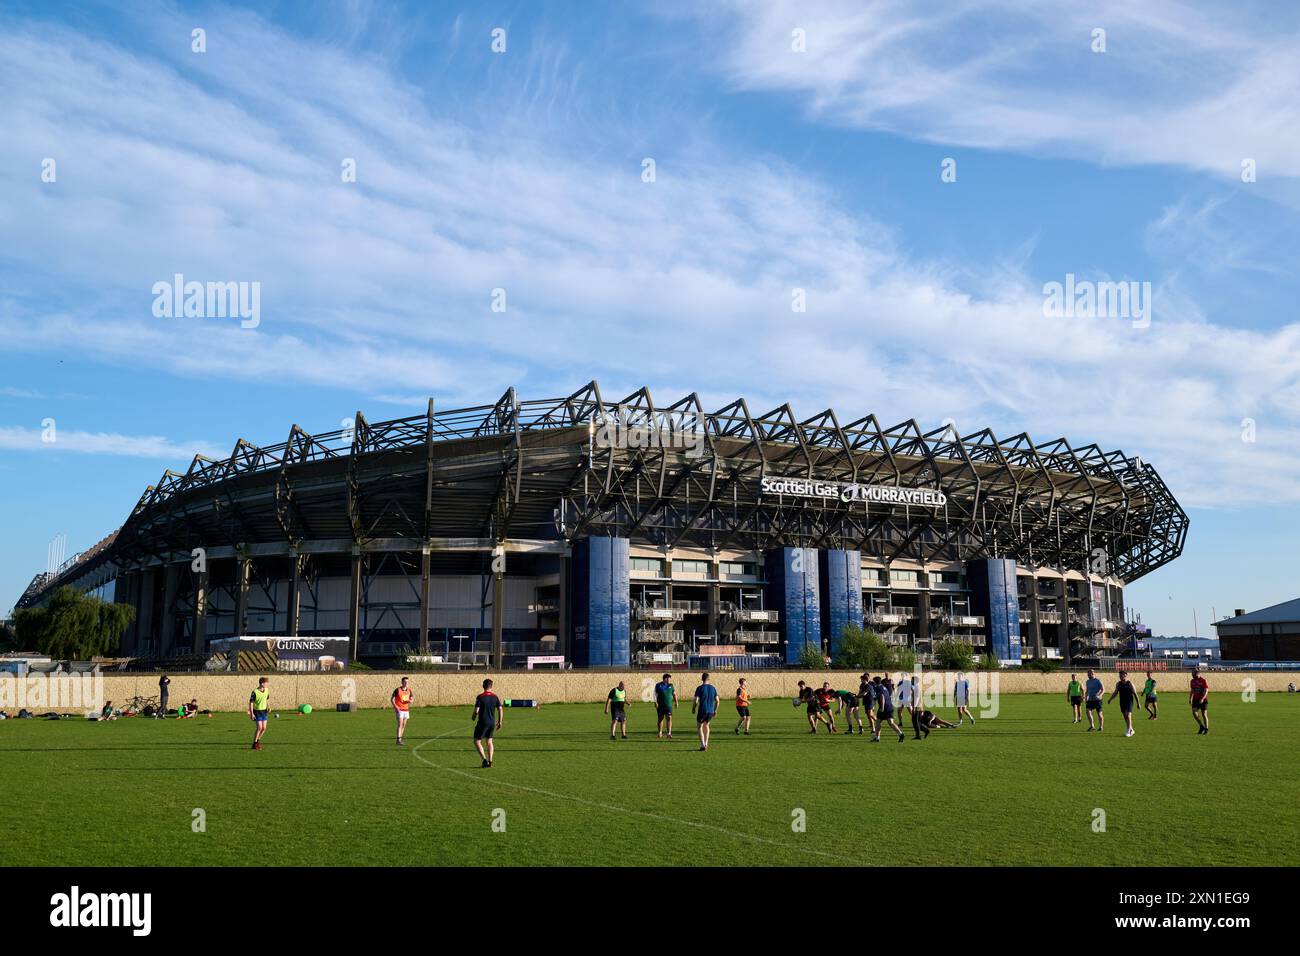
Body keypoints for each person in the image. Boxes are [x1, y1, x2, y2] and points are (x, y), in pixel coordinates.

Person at [473, 678, 502, 767]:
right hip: (491, 722)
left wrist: (473, 716)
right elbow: (500, 709)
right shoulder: (495, 697)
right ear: (491, 686)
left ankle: (484, 760)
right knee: (489, 741)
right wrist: (500, 721)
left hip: (482, 722)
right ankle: (490, 761)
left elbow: (477, 710)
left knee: (477, 741)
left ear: (483, 686)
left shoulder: (480, 697)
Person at [872, 675, 906, 743]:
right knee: (891, 722)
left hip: (884, 707)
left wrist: (882, 707)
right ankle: (900, 734)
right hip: (890, 706)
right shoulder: (883, 687)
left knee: (878, 722)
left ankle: (877, 738)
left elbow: (882, 697)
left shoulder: (878, 688)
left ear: (875, 682)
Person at [1107, 670, 1140, 738]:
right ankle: (1131, 729)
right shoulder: (1118, 684)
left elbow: (1135, 693)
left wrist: (1138, 703)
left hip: (1129, 701)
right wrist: (1110, 699)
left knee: (1128, 715)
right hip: (1122, 702)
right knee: (1125, 717)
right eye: (1119, 675)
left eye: (1122, 675)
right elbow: (1115, 693)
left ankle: (1128, 731)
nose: (1120, 676)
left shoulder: (1129, 683)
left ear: (1125, 675)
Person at [692, 672, 719, 751]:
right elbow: (717, 701)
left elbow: (696, 700)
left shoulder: (700, 688)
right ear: (708, 679)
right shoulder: (713, 688)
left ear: (702, 679)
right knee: (706, 726)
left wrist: (693, 708)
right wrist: (715, 710)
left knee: (699, 727)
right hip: (710, 711)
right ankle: (706, 743)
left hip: (702, 710)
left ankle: (702, 744)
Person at [896, 672, 922, 739]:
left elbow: (913, 690)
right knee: (899, 711)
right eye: (902, 675)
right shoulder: (900, 682)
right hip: (901, 699)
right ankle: (900, 722)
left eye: (904, 675)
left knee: (911, 712)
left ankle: (916, 722)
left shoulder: (909, 682)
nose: (902, 676)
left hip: (907, 699)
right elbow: (898, 689)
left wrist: (910, 695)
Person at [248, 677, 270, 750]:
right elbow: (251, 703)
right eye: (266, 683)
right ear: (262, 683)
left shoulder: (266, 690)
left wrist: (268, 706)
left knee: (264, 728)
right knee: (259, 728)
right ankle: (254, 743)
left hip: (264, 711)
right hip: (257, 712)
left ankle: (257, 741)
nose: (268, 684)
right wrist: (251, 713)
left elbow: (266, 699)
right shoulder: (255, 692)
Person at [654, 673, 678, 738]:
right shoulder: (658, 685)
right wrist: (655, 702)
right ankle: (660, 733)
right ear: (665, 679)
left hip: (668, 705)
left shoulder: (671, 685)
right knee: (660, 719)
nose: (669, 680)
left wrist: (676, 702)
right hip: (660, 706)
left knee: (669, 718)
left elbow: (674, 694)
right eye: (668, 678)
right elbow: (655, 694)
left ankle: (669, 733)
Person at [392, 677, 413, 745]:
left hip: (406, 710)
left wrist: (410, 701)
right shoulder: (397, 690)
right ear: (402, 682)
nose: (406, 683)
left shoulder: (409, 690)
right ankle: (398, 740)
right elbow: (392, 699)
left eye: (407, 682)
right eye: (405, 682)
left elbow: (412, 699)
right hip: (399, 710)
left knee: (404, 725)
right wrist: (395, 706)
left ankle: (400, 739)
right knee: (400, 724)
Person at [1189, 667, 1210, 735]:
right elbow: (1192, 690)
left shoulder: (1203, 680)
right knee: (1194, 713)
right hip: (1195, 699)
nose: (1192, 674)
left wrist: (1202, 698)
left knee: (1204, 714)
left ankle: (1206, 729)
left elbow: (1206, 691)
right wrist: (1190, 698)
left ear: (1197, 673)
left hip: (1203, 700)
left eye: (1193, 673)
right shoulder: (1192, 681)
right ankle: (1201, 726)